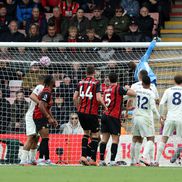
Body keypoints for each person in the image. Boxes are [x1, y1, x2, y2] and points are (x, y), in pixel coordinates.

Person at [73, 65, 107, 166]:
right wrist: (105, 106)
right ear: (94, 72)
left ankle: (83, 156)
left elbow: (75, 97)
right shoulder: (96, 82)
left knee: (86, 133)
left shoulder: (80, 82)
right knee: (96, 135)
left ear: (86, 72)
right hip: (91, 113)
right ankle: (92, 159)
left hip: (81, 112)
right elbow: (98, 98)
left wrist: (78, 108)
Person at [99, 72, 136, 166]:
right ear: (117, 79)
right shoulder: (119, 88)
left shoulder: (106, 89)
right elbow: (134, 93)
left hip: (104, 115)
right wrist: (127, 88)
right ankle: (112, 161)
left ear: (109, 79)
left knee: (104, 139)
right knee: (115, 140)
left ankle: (101, 160)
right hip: (113, 117)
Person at [126, 70, 159, 166]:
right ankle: (144, 157)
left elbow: (128, 98)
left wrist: (127, 110)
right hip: (146, 117)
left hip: (136, 116)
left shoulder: (136, 89)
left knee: (136, 138)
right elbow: (154, 105)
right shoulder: (152, 90)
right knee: (151, 138)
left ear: (140, 77)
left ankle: (134, 161)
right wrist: (159, 117)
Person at [154, 75, 182, 167]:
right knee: (180, 139)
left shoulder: (168, 90)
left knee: (164, 139)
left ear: (174, 81)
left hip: (169, 118)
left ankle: (156, 161)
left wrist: (162, 115)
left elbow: (161, 103)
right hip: (180, 118)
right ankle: (179, 161)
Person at [33, 75, 58, 165]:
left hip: (43, 116)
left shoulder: (49, 92)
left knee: (46, 138)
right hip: (39, 116)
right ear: (51, 82)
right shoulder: (46, 92)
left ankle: (47, 159)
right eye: (54, 80)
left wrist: (52, 118)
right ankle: (40, 159)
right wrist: (48, 117)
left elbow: (47, 108)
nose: (55, 81)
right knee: (44, 138)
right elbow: (40, 105)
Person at [20, 76, 44, 165]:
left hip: (37, 116)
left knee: (36, 138)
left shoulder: (45, 90)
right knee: (31, 137)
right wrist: (40, 103)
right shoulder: (40, 87)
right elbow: (31, 96)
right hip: (31, 116)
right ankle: (23, 160)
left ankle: (32, 159)